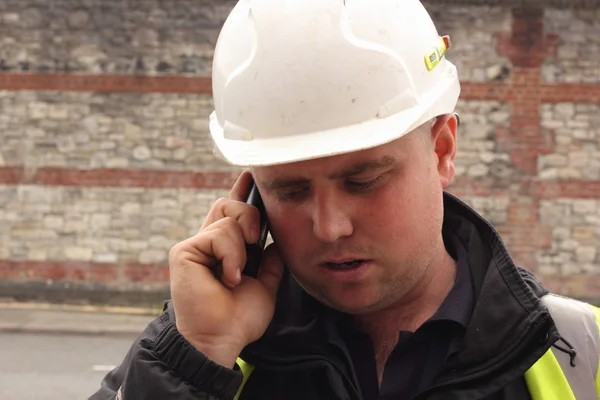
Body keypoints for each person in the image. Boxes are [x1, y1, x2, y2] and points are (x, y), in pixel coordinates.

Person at [90, 1, 600, 399]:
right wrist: (196, 357)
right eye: (289, 190)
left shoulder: (584, 352)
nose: (330, 227)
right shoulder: (203, 350)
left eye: (364, 180)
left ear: (442, 151)